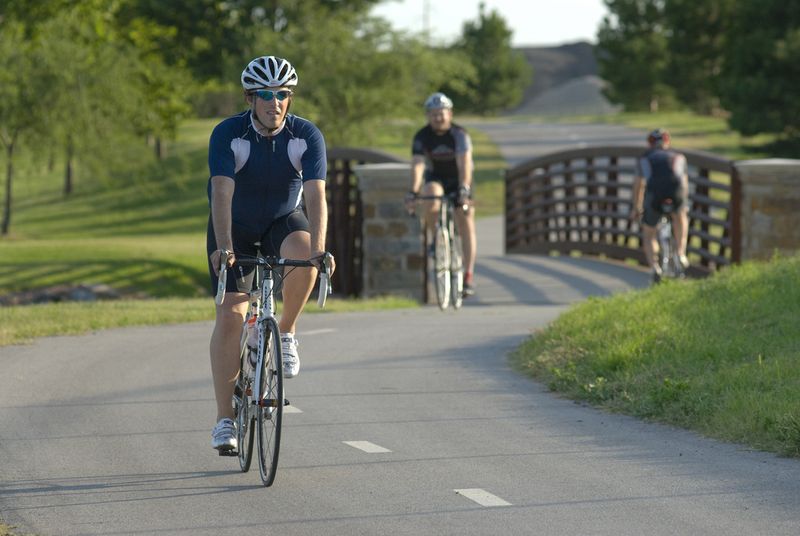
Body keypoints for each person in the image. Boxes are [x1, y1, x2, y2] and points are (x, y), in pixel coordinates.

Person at [206, 55, 334, 452]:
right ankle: (225, 419)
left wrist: (319, 250)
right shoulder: (229, 133)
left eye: (281, 94)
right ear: (250, 98)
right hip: (235, 227)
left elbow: (316, 194)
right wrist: (224, 245)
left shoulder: (305, 135)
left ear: (289, 99)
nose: (273, 101)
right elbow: (222, 191)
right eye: (265, 94)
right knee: (231, 315)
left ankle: (288, 331)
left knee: (304, 251)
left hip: (282, 219)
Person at [405, 92, 477, 296]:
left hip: (460, 179)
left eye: (442, 113)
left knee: (465, 220)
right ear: (428, 116)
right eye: (434, 114)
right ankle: (436, 238)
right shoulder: (422, 136)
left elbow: (464, 162)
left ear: (450, 113)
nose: (438, 118)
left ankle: (469, 274)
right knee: (430, 193)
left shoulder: (459, 134)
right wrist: (413, 190)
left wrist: (464, 187)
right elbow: (418, 165)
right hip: (437, 178)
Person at [631, 128, 690, 283]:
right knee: (680, 216)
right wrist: (683, 204)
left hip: (655, 196)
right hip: (676, 193)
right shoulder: (678, 157)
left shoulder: (644, 159)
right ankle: (681, 253)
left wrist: (637, 208)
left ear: (649, 144)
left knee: (649, 232)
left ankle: (654, 267)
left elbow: (639, 185)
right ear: (667, 142)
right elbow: (683, 183)